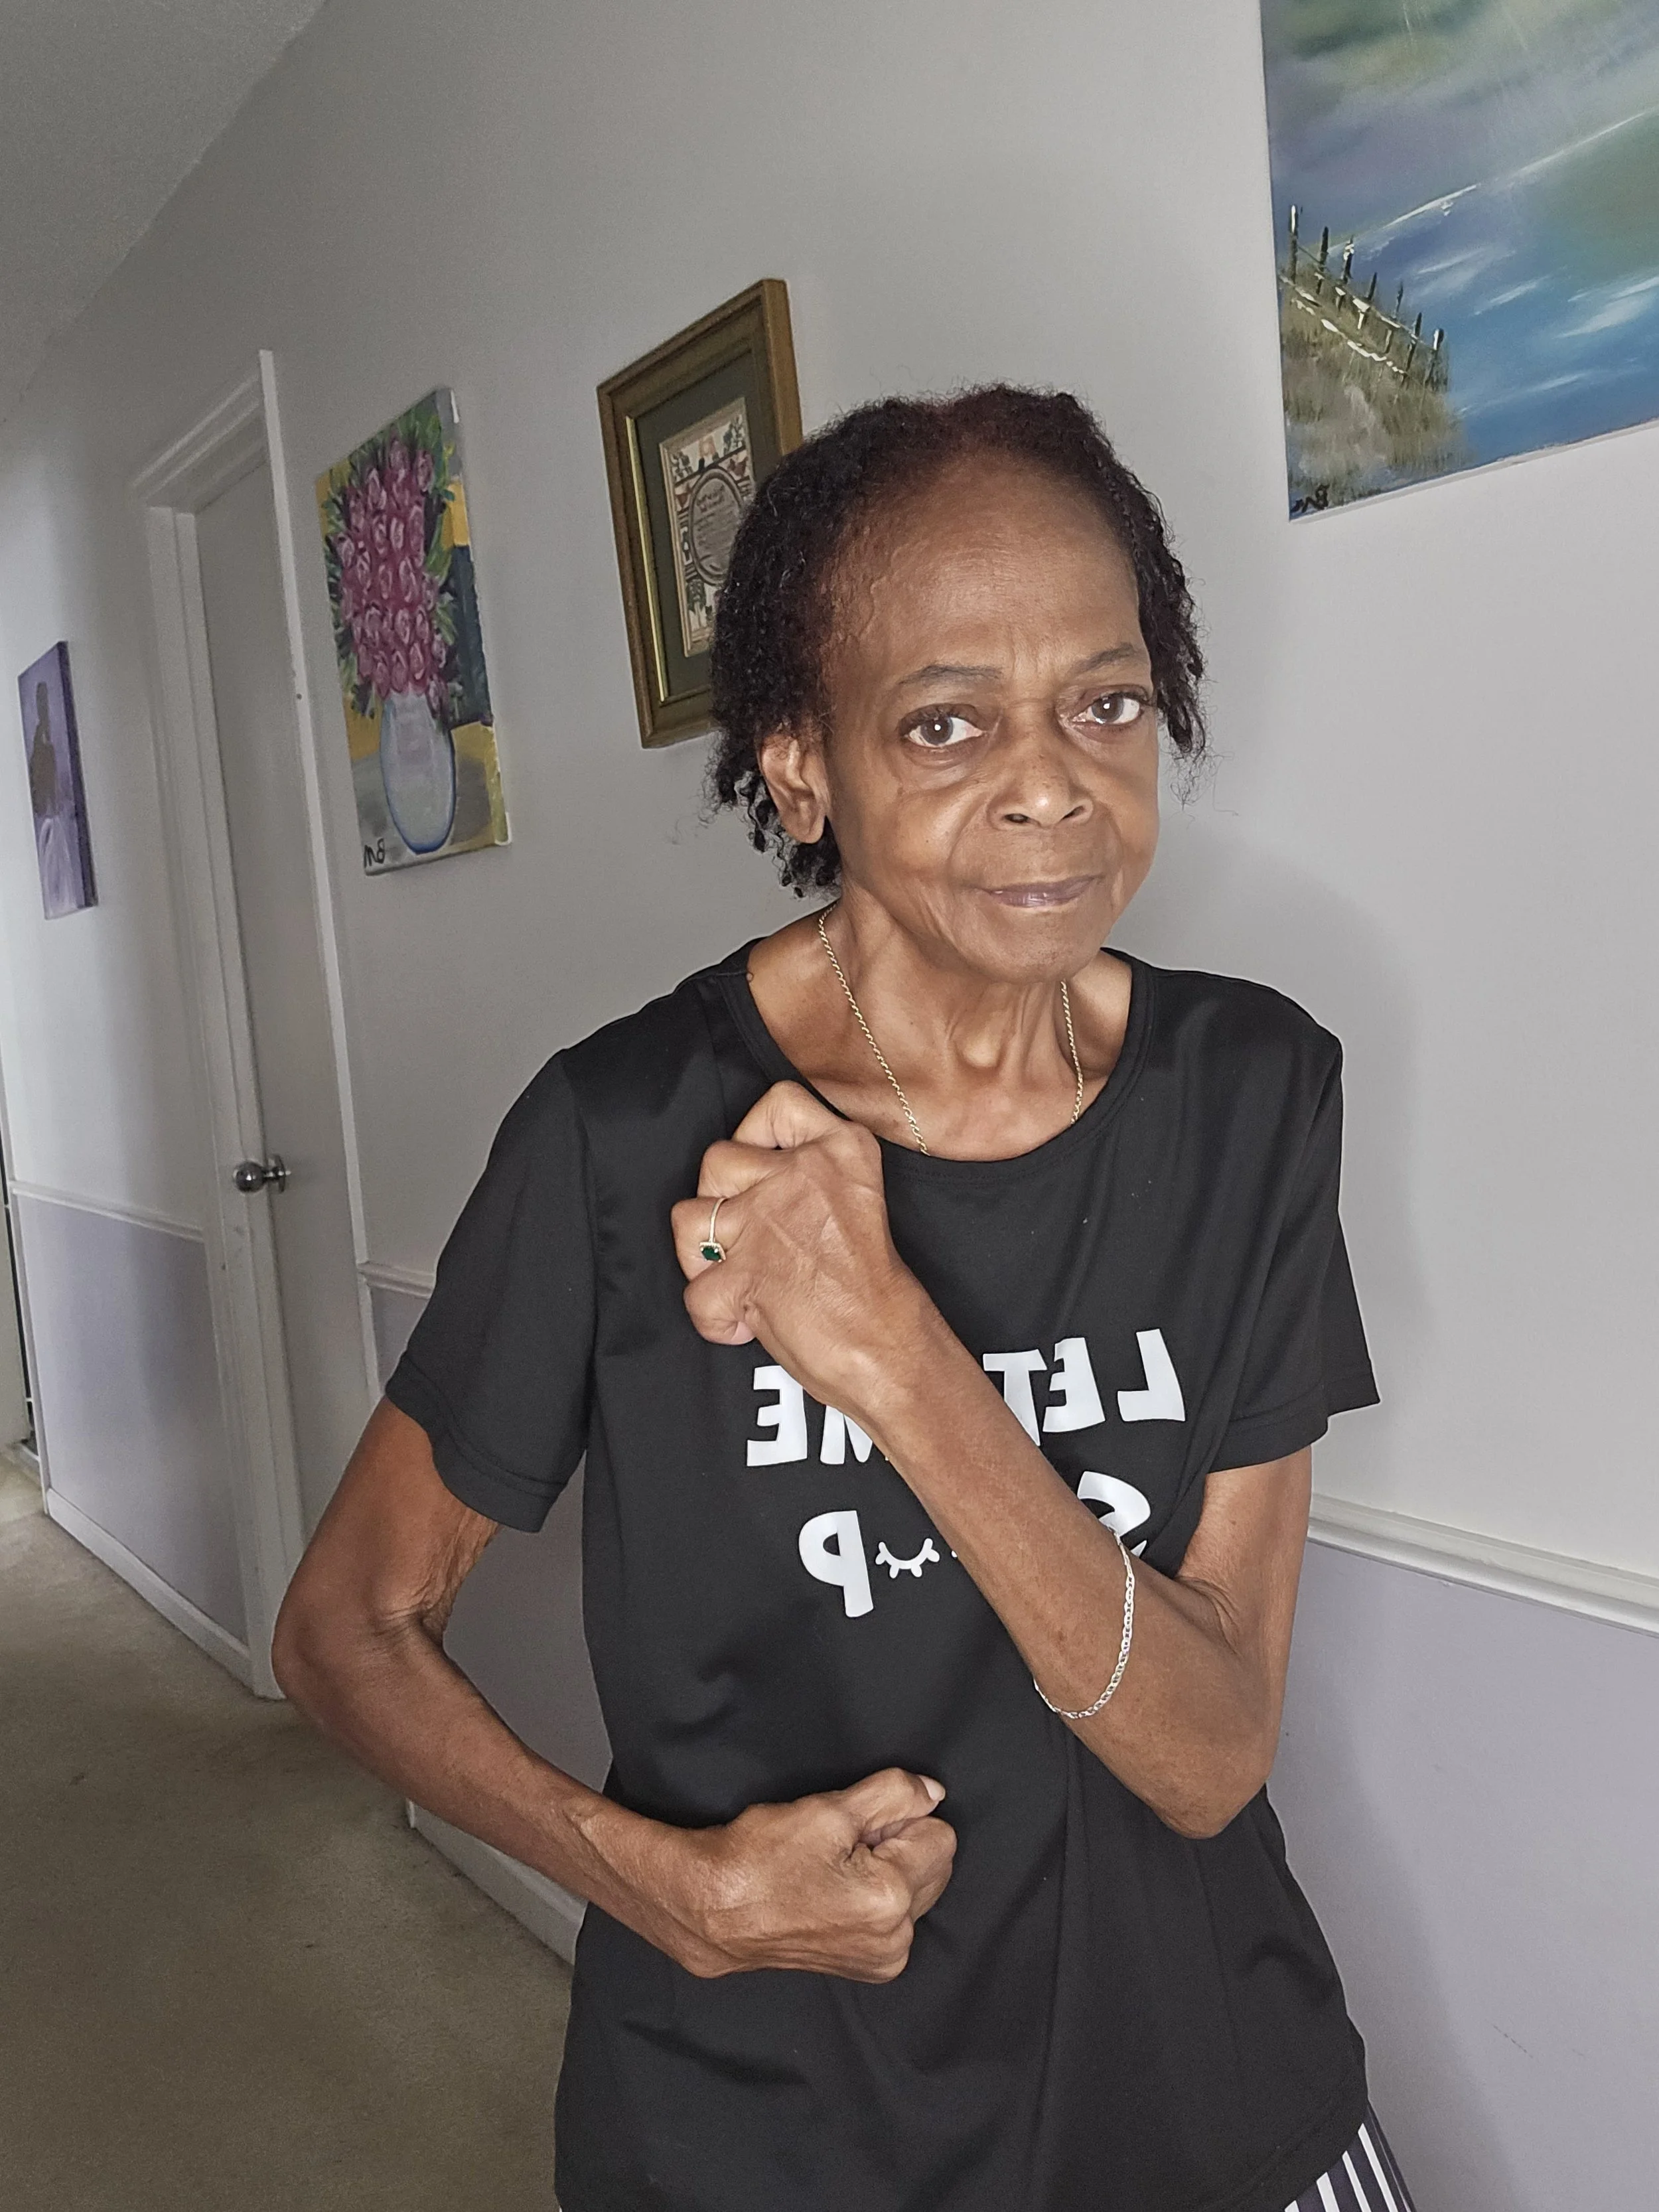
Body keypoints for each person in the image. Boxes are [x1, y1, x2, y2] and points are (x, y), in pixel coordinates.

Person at [275, 386, 1416, 2212]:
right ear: (802, 764)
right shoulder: (622, 1131)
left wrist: (889, 1350)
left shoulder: (1248, 1090)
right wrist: (659, 1883)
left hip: (1204, 2099)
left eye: (1103, 700)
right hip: (768, 2134)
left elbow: (1205, 1757)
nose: (1049, 781)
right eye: (946, 721)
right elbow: (344, 1624)